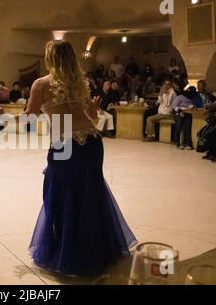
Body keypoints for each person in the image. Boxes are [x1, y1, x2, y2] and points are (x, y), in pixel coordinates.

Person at [23, 40, 136, 276]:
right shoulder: (78, 83)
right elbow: (94, 118)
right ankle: (96, 250)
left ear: (50, 58)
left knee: (63, 195)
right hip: (92, 142)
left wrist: (0, 118)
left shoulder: (40, 84)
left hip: (65, 145)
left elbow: (28, 118)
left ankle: (70, 255)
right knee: (90, 194)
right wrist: (93, 106)